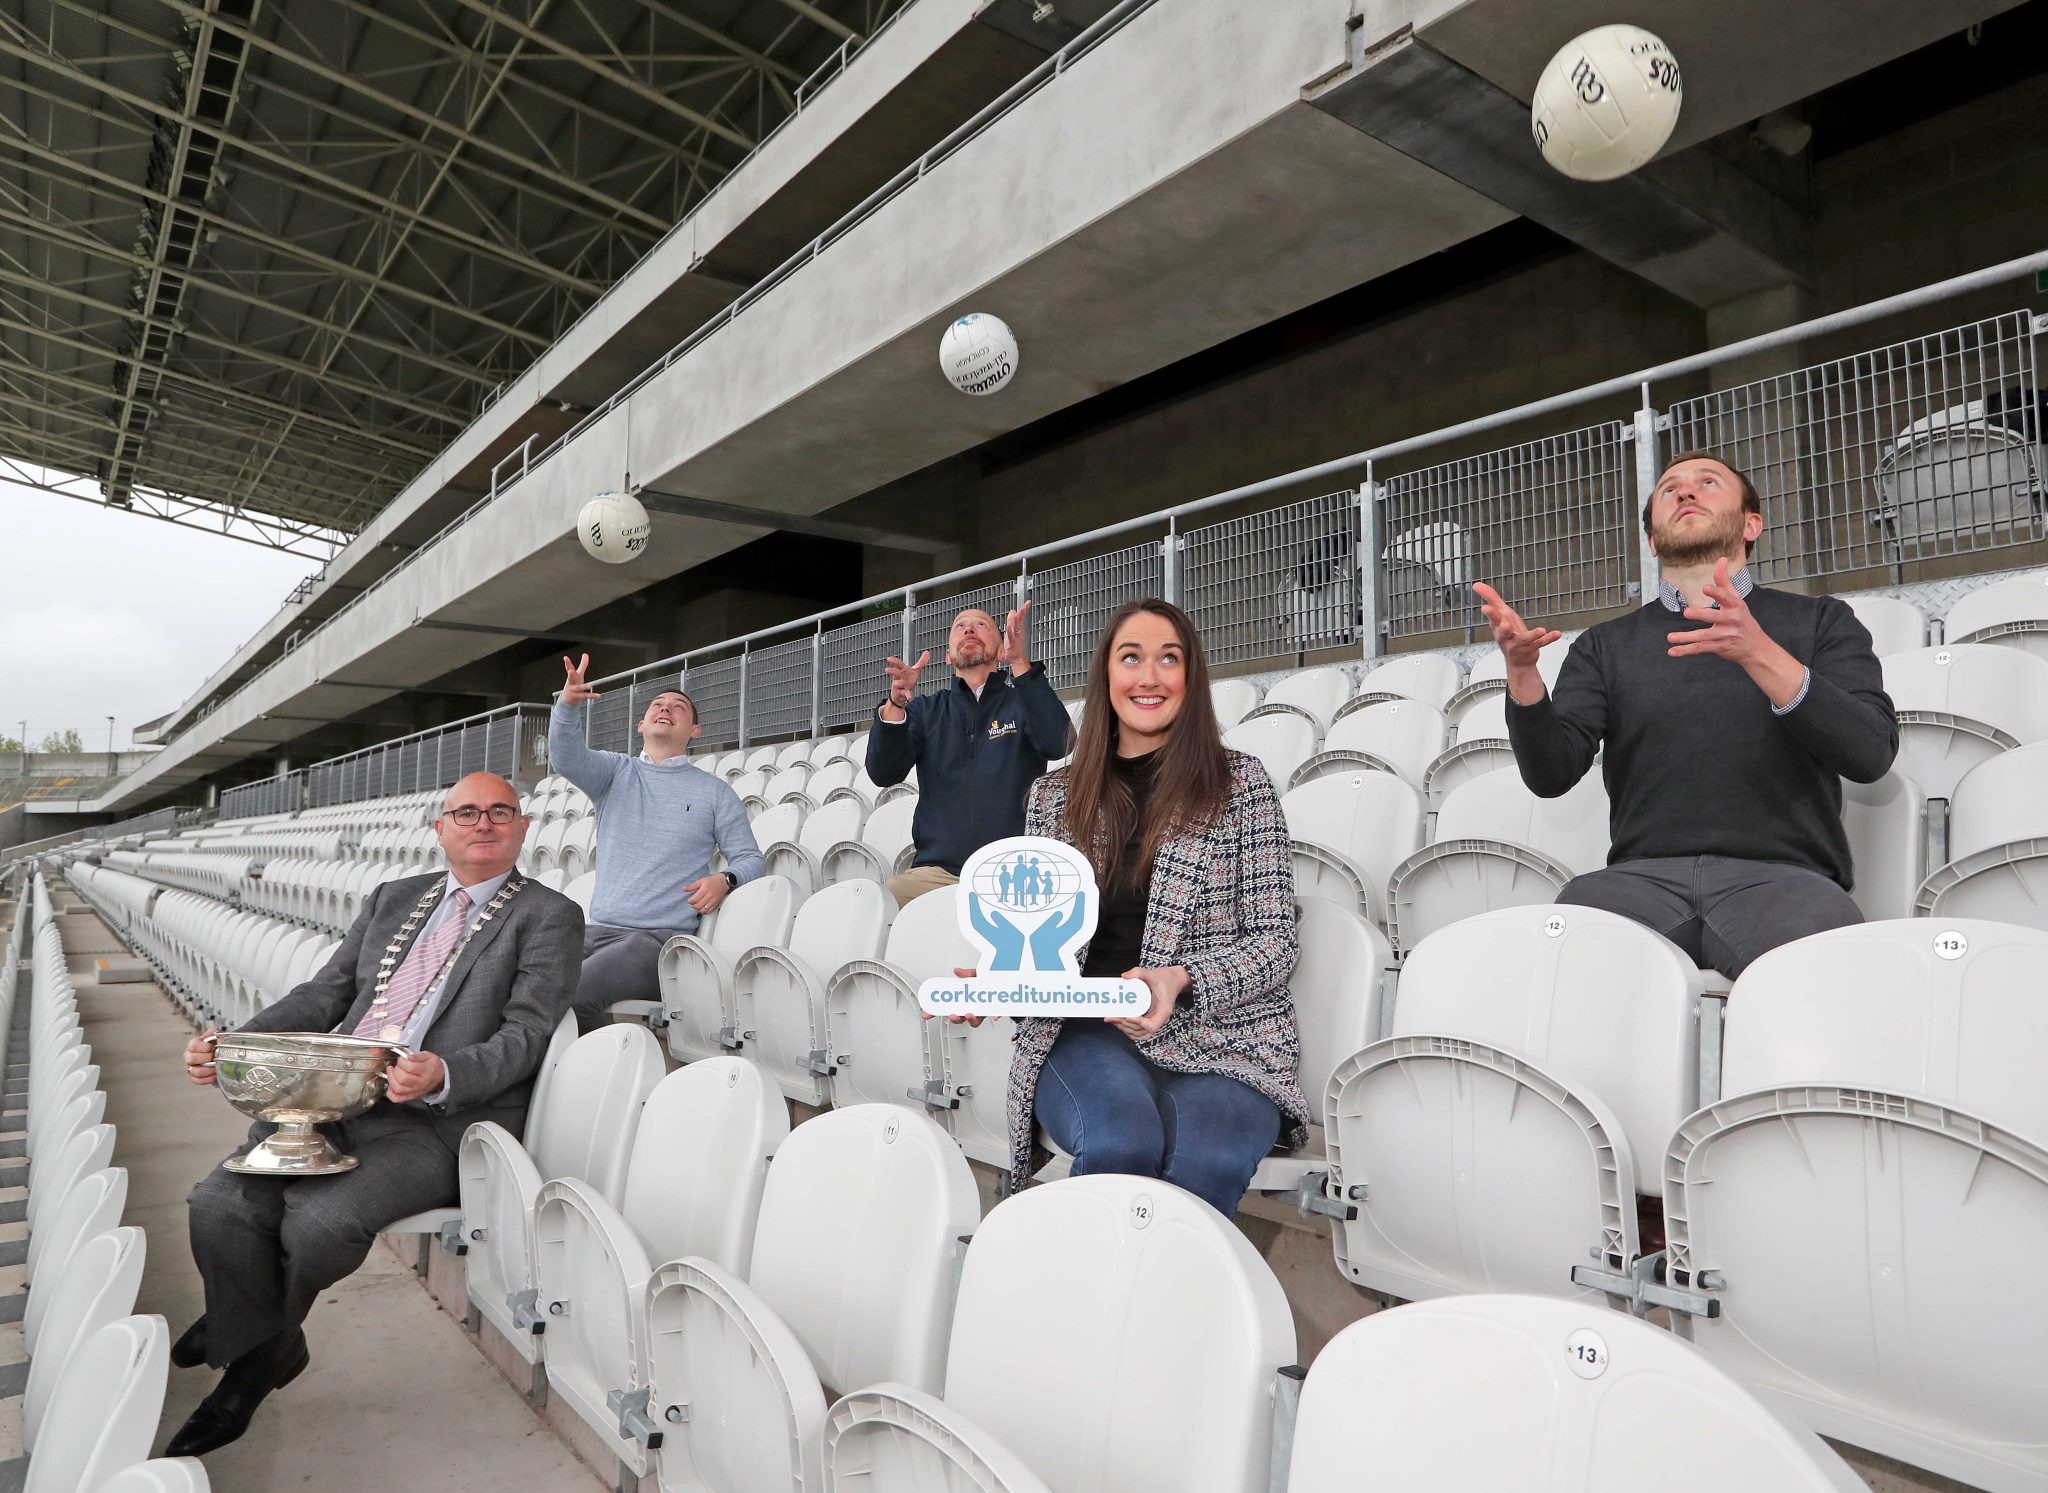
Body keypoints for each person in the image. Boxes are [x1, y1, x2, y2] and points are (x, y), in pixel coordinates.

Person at [170, 773, 583, 1456]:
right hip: (337, 1098)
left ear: (522, 826)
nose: (484, 822)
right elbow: (324, 992)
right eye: (468, 811)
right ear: (440, 827)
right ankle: (270, 1333)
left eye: (500, 811)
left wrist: (445, 1071)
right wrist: (235, 1042)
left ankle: (247, 1368)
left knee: (320, 1220)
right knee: (217, 1203)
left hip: (444, 1119)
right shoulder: (395, 897)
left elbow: (528, 1032)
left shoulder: (549, 914)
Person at [1474, 450, 1899, 979]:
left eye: (1708, 482)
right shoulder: (1606, 645)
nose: (1685, 492)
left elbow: (1871, 752)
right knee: (1557, 977)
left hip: (1785, 882)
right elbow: (1550, 774)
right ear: (1652, 539)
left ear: (1751, 524)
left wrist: (1756, 651)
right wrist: (1522, 674)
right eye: (1669, 488)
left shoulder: (1820, 621)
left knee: (1814, 985)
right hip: (1638, 882)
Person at [992, 597, 1306, 1216]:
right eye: (1130, 658)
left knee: (1206, 1161)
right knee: (1120, 1141)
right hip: (1084, 1029)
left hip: (1226, 1039)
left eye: (1170, 659)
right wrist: (1003, 980)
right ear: (1107, 675)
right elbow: (1033, 937)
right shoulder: (1053, 797)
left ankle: (1178, 1309)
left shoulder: (1241, 783)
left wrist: (1180, 978)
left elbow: (1277, 941)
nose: (1149, 677)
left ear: (1191, 678)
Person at [551, 656, 763, 1026]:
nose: (666, 708)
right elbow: (566, 757)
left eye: (678, 707)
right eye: (657, 705)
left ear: (694, 730)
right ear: (641, 724)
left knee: (571, 995)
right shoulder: (614, 772)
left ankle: (573, 1078)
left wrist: (725, 880)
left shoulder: (714, 792)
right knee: (526, 983)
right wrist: (568, 705)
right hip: (595, 930)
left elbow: (750, 858)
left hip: (658, 942)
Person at [868, 602, 1072, 905]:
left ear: (1001, 651)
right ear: (950, 656)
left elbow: (1060, 743)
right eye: (961, 625)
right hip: (937, 873)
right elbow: (883, 773)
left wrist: (1020, 665)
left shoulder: (1023, 701)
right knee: (879, 901)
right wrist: (896, 704)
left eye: (982, 625)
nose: (969, 628)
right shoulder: (926, 710)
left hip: (1012, 872)